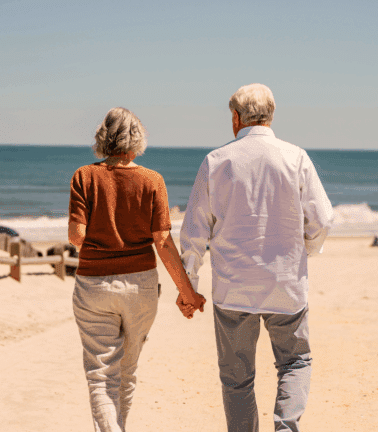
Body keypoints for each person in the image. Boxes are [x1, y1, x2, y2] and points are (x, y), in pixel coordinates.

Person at [179, 84, 334, 432]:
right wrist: (305, 250)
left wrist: (189, 284)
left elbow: (194, 231)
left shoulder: (216, 161)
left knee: (237, 379)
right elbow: (323, 219)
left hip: (233, 288)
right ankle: (285, 428)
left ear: (236, 117)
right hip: (286, 285)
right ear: (271, 115)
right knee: (295, 363)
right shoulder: (296, 157)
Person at [68, 107, 206, 432]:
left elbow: (76, 236)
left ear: (103, 137)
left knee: (101, 376)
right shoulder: (152, 180)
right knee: (126, 373)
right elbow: (163, 241)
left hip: (94, 287)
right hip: (141, 287)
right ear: (138, 139)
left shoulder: (83, 176)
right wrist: (188, 293)